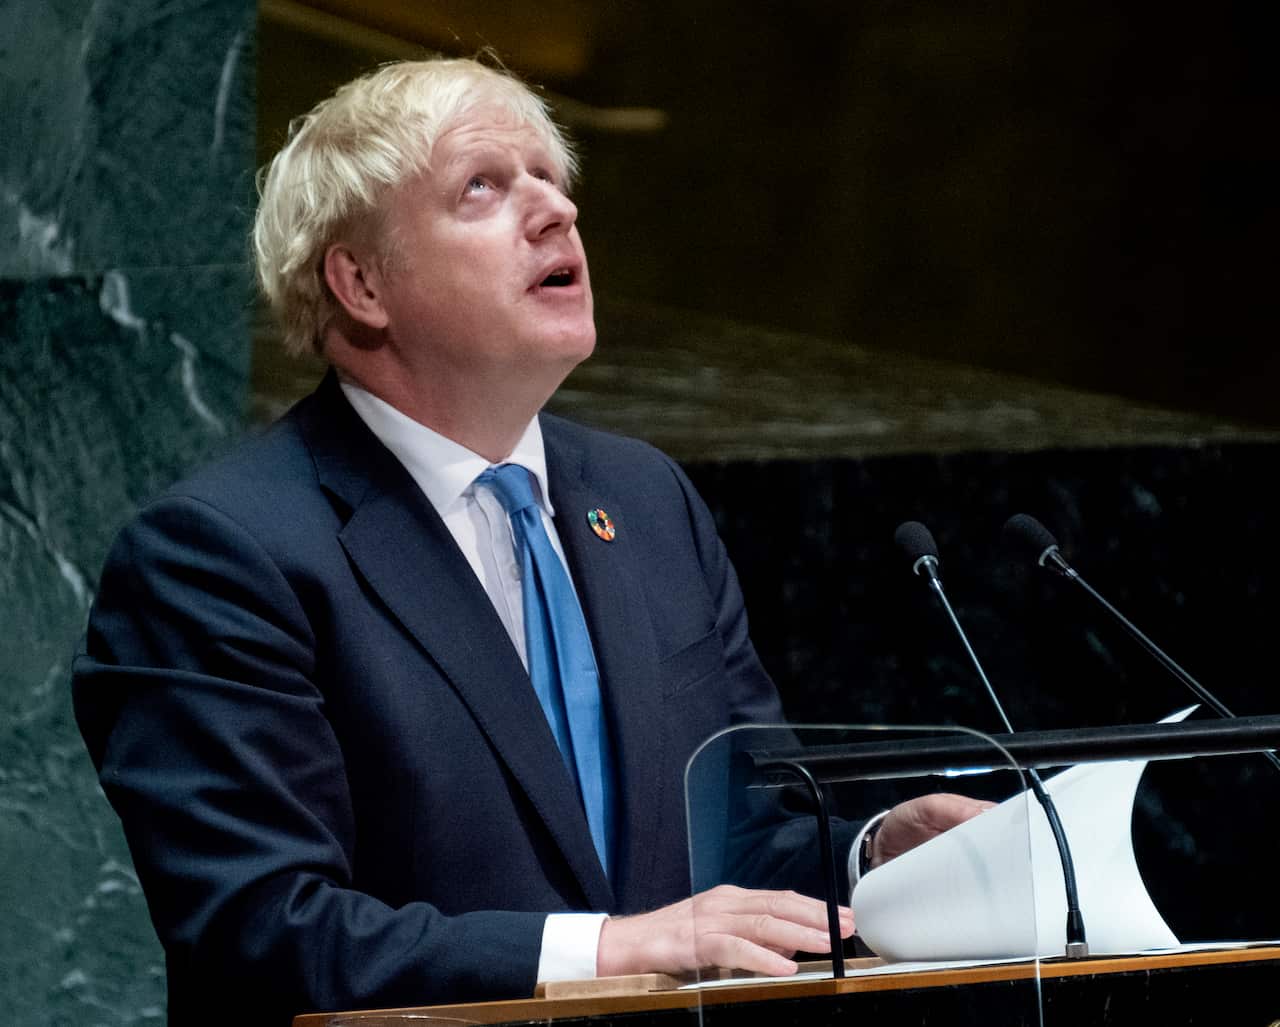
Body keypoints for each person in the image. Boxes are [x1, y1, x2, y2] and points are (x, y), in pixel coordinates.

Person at [72, 57, 988, 1025]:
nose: (554, 211)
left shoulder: (644, 498)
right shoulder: (222, 555)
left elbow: (737, 845)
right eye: (482, 187)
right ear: (361, 282)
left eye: (551, 179)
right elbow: (263, 927)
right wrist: (609, 948)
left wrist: (874, 851)